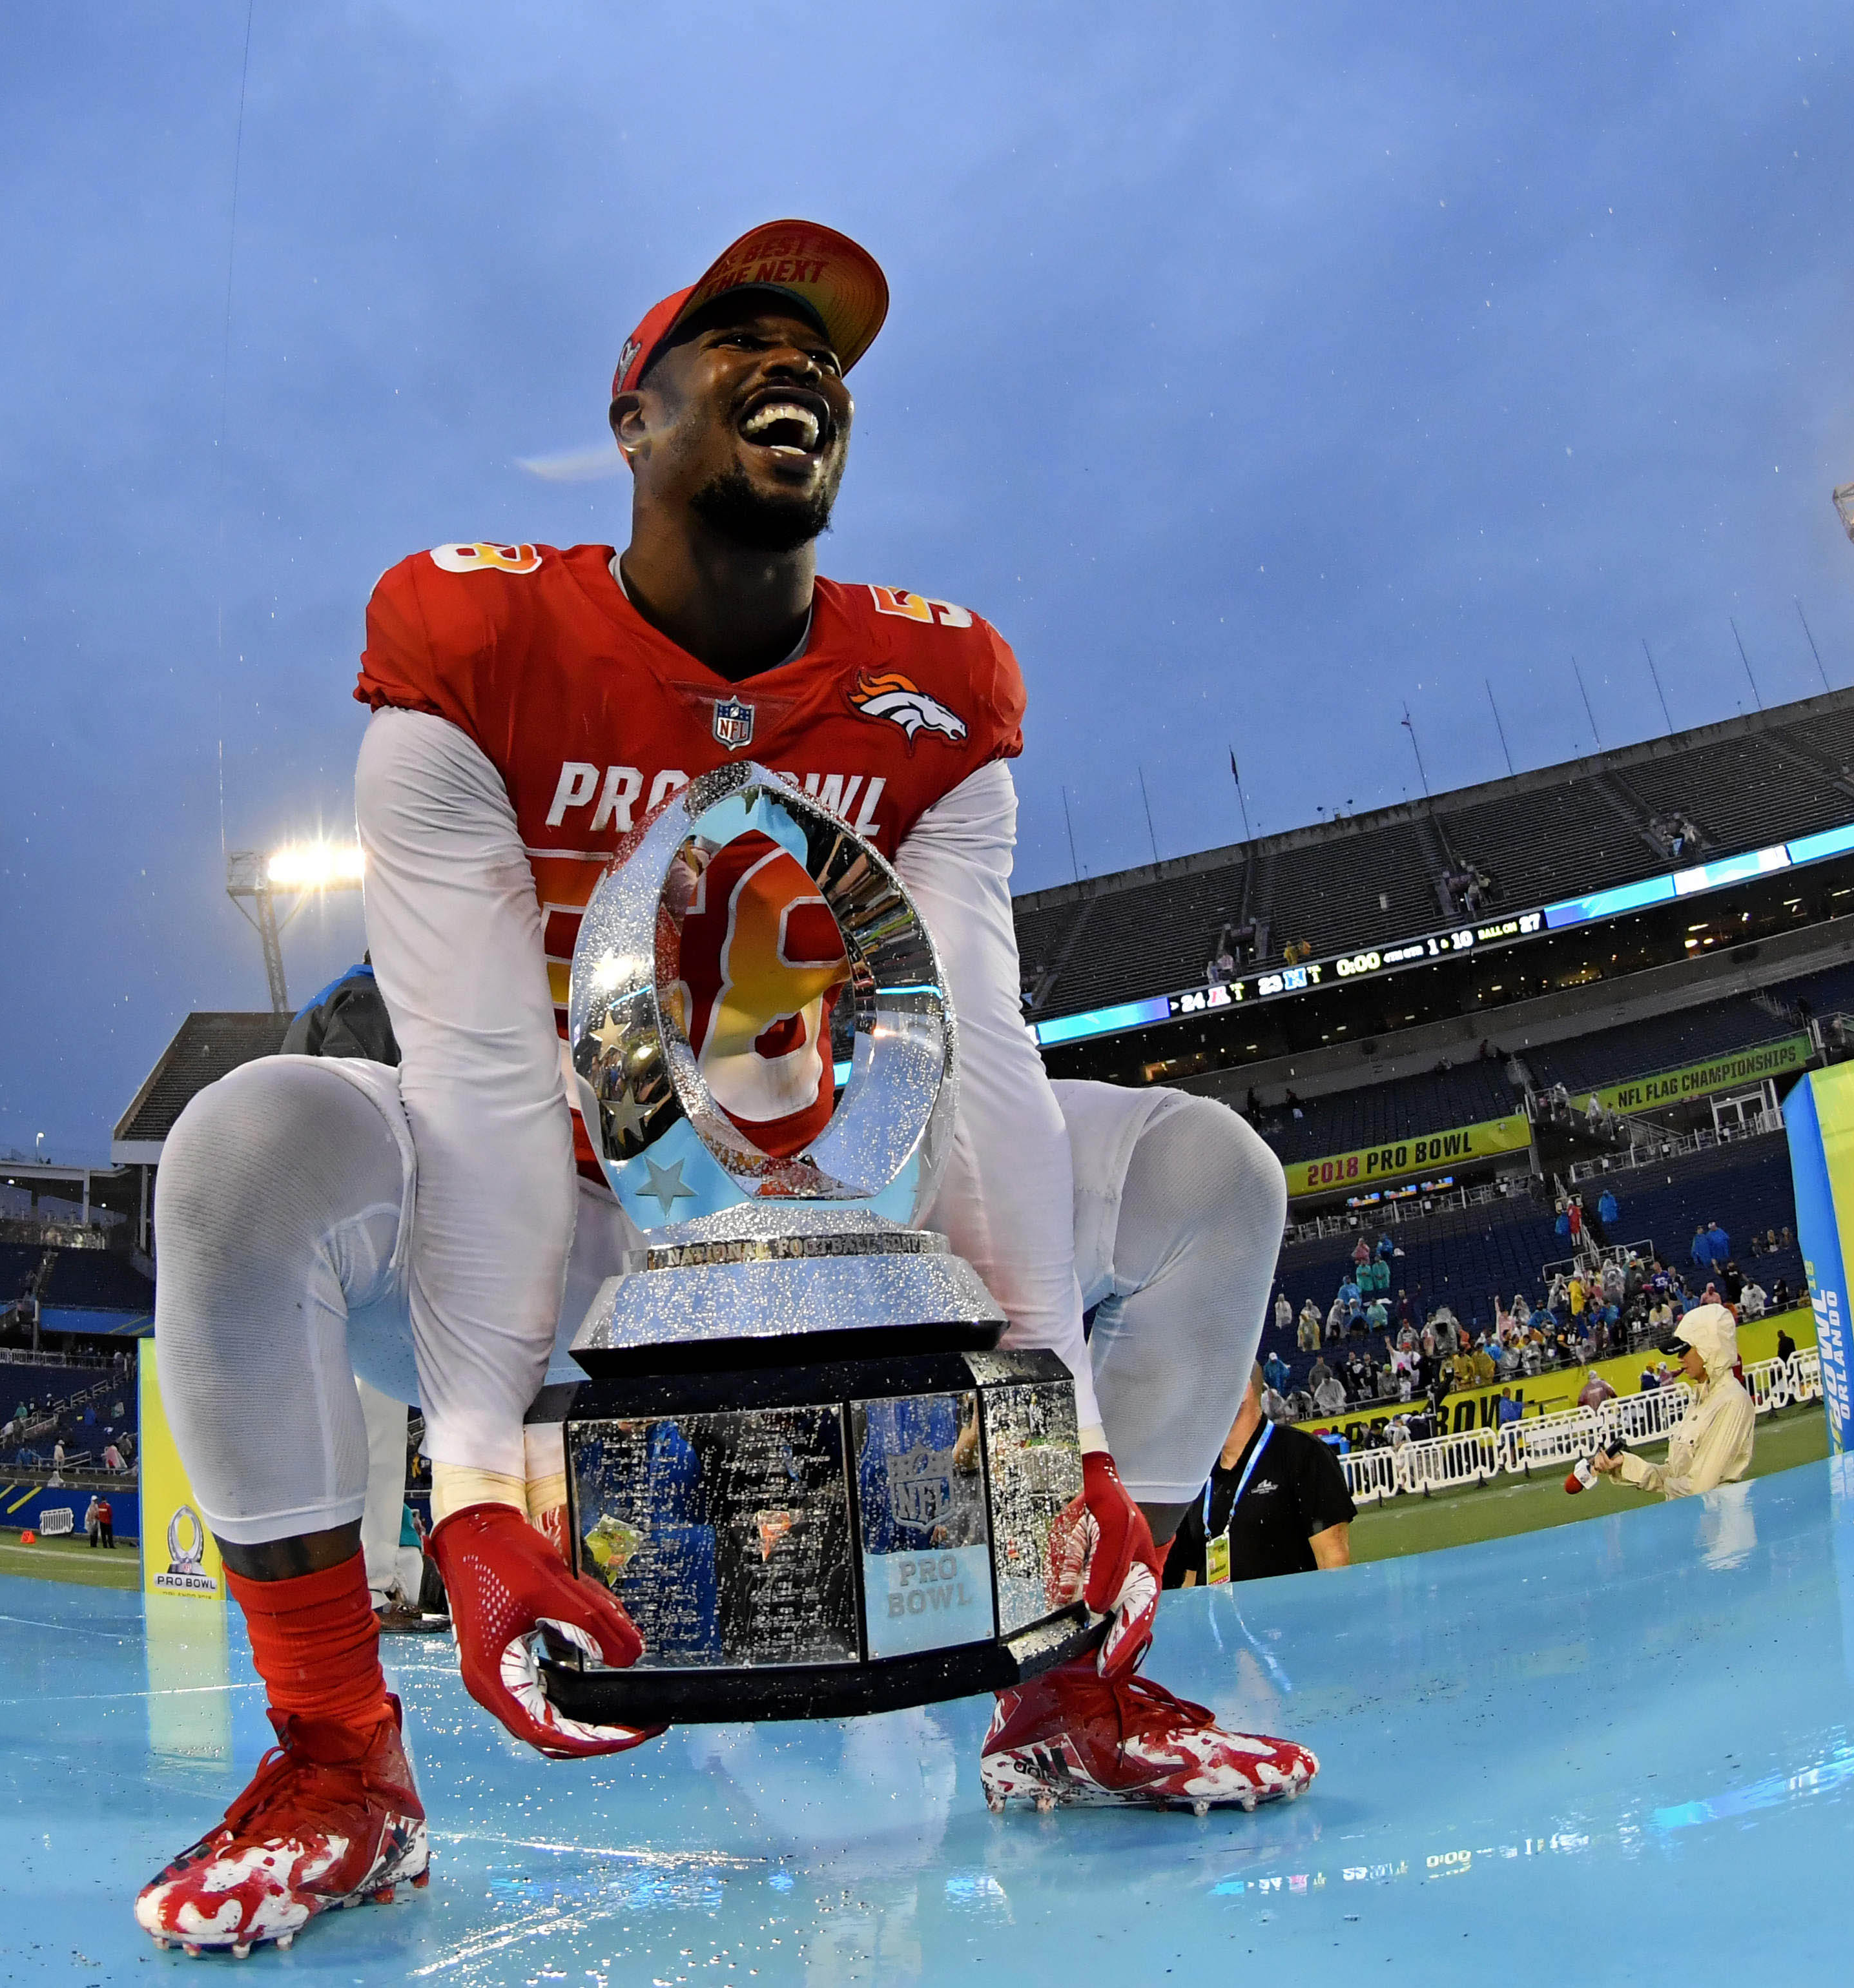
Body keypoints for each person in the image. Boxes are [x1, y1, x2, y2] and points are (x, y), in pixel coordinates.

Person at [132, 221, 1312, 1955]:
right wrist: (469, 1480)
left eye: (822, 353)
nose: (798, 368)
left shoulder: (933, 684)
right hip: (556, 1239)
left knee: (1212, 1172)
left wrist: (1054, 1413)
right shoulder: (472, 629)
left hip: (839, 1227)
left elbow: (973, 1045)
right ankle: (337, 1755)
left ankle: (1063, 1691)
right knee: (250, 1146)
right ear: (634, 415)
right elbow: (466, 1076)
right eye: (741, 338)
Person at [1162, 1389, 1355, 1586]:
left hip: (1289, 1614)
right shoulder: (1197, 1473)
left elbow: (1333, 1561)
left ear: (1243, 1389)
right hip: (1218, 1616)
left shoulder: (1303, 1452)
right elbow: (1191, 1574)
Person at [1579, 1304, 1753, 1501]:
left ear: (1709, 1348)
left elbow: (1698, 1488)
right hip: (1695, 1520)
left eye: (1685, 1350)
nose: (1679, 1359)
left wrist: (1661, 1482)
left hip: (1721, 1525)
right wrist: (1624, 1465)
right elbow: (1674, 1474)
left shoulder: (1732, 1400)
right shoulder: (1701, 1399)